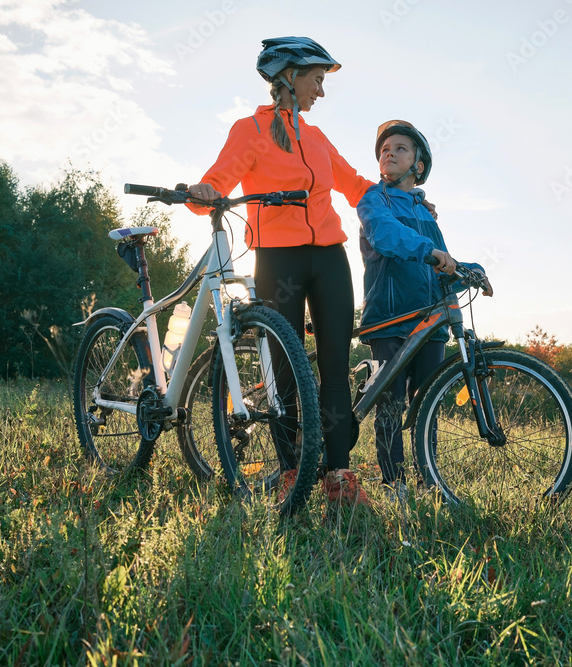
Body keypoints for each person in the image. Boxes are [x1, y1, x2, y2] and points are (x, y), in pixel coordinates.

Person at [188, 37, 378, 506]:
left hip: (329, 258)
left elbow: (356, 185)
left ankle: (339, 477)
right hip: (278, 257)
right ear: (289, 76)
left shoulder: (315, 137)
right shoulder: (249, 130)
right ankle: (293, 471)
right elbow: (217, 179)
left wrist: (402, 197)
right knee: (285, 372)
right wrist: (201, 193)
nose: (321, 91)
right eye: (317, 79)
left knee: (334, 366)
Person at [356, 120, 493, 499]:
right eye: (384, 149)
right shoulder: (374, 199)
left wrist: (472, 272)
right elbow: (386, 236)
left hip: (430, 321)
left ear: (419, 164)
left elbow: (443, 265)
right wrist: (432, 253)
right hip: (389, 317)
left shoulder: (426, 213)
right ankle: (393, 483)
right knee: (390, 402)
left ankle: (427, 480)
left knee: (426, 403)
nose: (388, 152)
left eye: (400, 148)